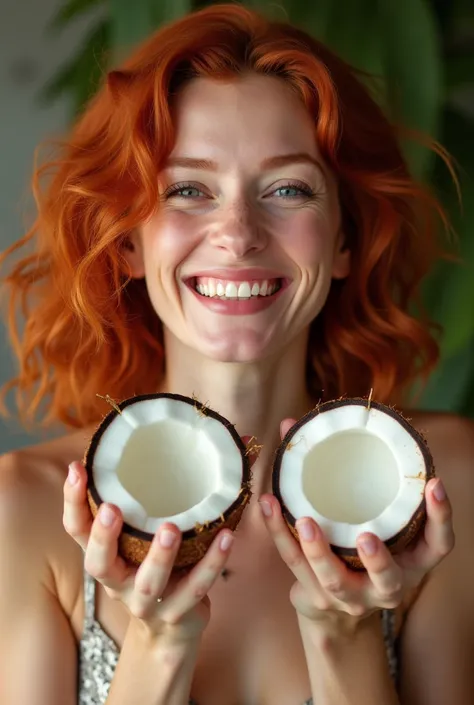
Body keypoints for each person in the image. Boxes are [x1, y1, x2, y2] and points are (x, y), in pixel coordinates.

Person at [0, 4, 472, 704]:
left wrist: (345, 630)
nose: (239, 232)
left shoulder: (447, 486)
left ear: (345, 240)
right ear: (129, 241)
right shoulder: (21, 510)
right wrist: (157, 640)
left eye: (287, 188)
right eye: (189, 189)